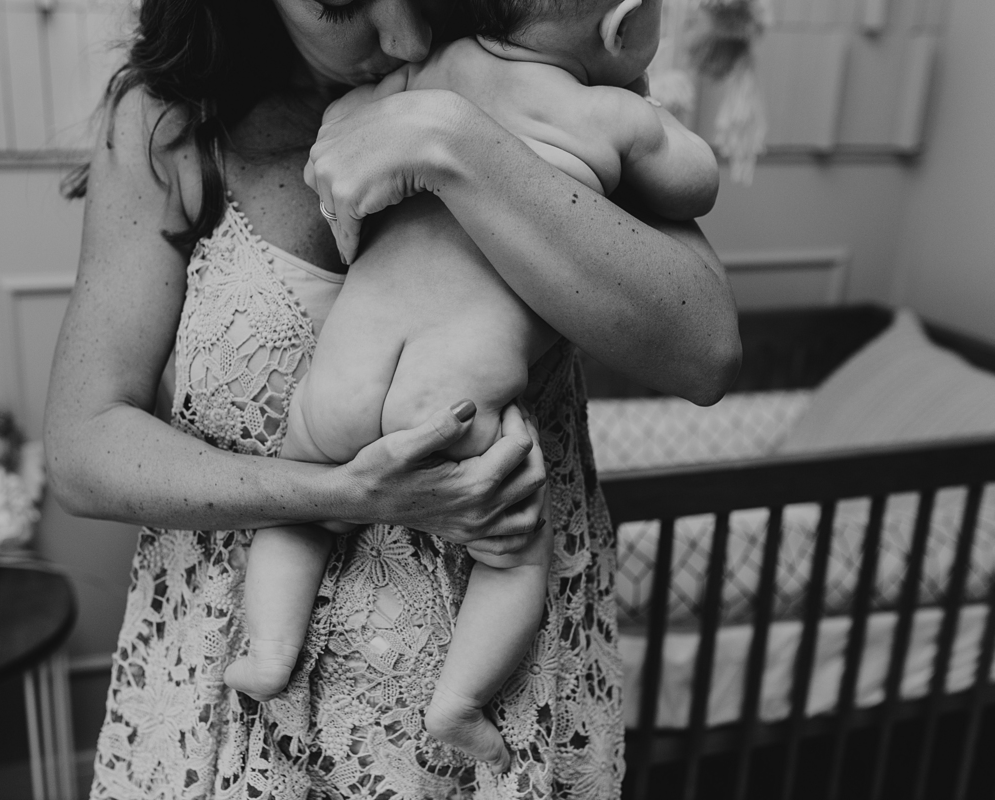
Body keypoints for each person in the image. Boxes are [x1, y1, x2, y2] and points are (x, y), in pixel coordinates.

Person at [44, 0, 740, 797]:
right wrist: (343, 494)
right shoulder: (171, 125)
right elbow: (83, 447)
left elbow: (707, 355)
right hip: (235, 709)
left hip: (499, 725)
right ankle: (294, 656)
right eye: (343, 3)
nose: (405, 37)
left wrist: (453, 140)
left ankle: (325, 661)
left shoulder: (527, 45)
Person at [224, 0, 720, 774]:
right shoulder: (605, 113)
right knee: (515, 558)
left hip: (341, 381)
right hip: (450, 404)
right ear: (624, 26)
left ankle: (267, 649)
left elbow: (340, 137)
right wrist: (647, 113)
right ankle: (458, 701)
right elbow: (695, 184)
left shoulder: (418, 78)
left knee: (300, 515)